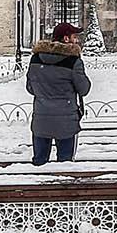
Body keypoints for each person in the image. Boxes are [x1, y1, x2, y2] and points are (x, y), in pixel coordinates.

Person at [26, 22, 91, 164]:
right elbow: (84, 89)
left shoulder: (36, 59)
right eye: (74, 36)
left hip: (41, 119)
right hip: (66, 121)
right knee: (65, 164)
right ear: (66, 39)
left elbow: (30, 87)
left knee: (39, 162)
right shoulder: (73, 61)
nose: (77, 40)